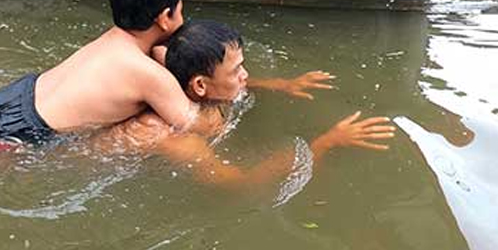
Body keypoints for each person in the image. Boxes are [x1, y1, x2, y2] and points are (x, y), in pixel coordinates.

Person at [0, 0, 336, 145]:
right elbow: (196, 126)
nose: (184, 17)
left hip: (11, 96)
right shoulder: (149, 75)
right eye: (180, 9)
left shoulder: (116, 42)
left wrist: (276, 84)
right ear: (165, 17)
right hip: (23, 134)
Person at [94, 20, 396, 189]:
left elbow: (224, 87)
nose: (246, 76)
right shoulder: (176, 137)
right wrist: (326, 143)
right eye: (237, 70)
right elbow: (239, 183)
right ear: (200, 85)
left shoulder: (181, 79)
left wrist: (282, 85)